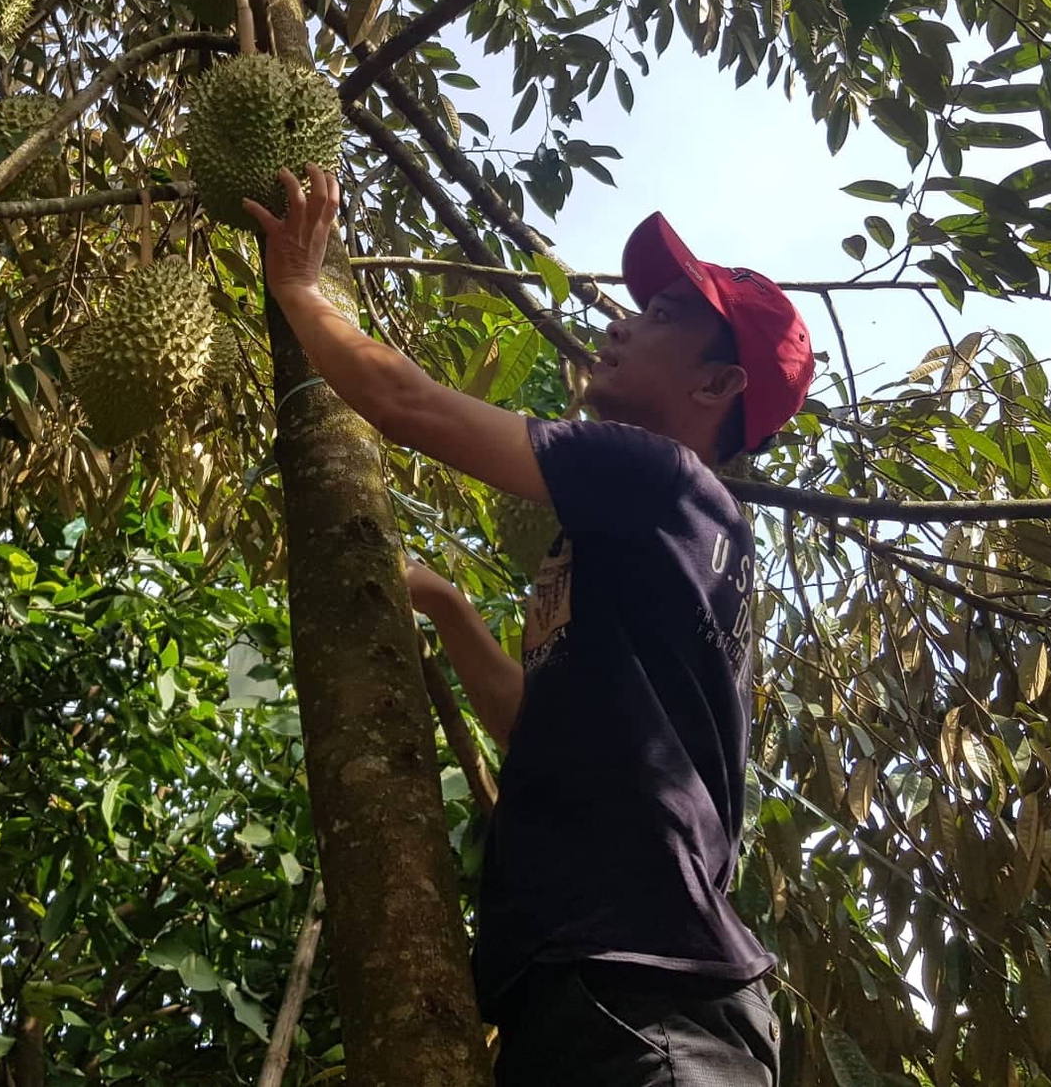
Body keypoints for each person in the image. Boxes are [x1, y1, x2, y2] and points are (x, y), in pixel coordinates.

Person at [244, 165, 815, 1087]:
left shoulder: (657, 477)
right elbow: (534, 726)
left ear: (717, 385)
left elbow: (408, 404)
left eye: (665, 315)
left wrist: (302, 290)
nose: (621, 322)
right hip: (583, 989)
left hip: (649, 992)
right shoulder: (653, 546)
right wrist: (450, 606)